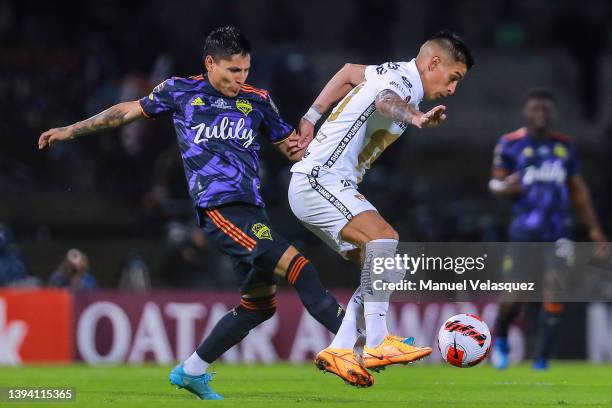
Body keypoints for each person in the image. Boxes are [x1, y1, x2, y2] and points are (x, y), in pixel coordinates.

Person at [38, 26, 345, 400]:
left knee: (258, 306)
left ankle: (191, 371)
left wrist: (334, 140)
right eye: (232, 71)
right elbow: (126, 112)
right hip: (219, 209)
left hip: (252, 211)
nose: (240, 79)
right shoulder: (180, 91)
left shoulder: (258, 99)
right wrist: (71, 130)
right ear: (210, 63)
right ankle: (358, 343)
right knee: (301, 267)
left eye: (245, 71)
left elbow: (292, 150)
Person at [289, 30, 474, 387]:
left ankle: (341, 348)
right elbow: (385, 102)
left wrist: (311, 117)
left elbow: (346, 72)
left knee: (386, 266)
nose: (452, 89)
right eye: (454, 78)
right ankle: (375, 342)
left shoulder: (386, 70)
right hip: (318, 181)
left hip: (329, 184)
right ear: (434, 63)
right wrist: (415, 117)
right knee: (385, 239)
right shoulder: (402, 82)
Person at [489, 89, 607, 370]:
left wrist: (593, 228)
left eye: (545, 109)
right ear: (527, 113)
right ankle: (502, 339)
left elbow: (578, 190)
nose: (540, 114)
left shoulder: (565, 146)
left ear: (552, 114)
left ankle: (541, 357)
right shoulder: (510, 143)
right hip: (524, 233)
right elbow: (494, 183)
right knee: (514, 297)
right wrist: (506, 187)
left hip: (558, 231)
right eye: (535, 109)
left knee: (555, 291)